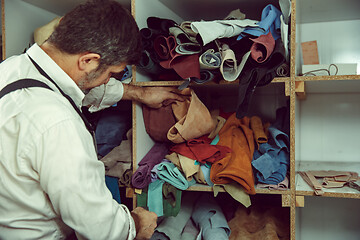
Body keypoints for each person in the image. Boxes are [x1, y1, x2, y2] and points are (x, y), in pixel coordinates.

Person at [0, 0, 184, 239]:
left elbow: (73, 87)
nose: (109, 80)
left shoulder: (10, 69)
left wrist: (140, 93)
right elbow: (99, 227)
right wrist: (136, 222)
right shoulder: (58, 124)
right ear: (87, 60)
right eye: (111, 74)